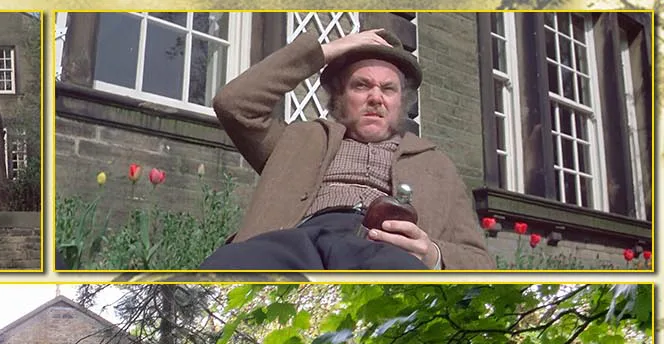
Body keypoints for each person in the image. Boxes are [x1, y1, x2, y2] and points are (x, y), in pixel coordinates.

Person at [199, 29, 492, 270]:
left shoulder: (436, 164)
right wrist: (327, 50)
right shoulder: (297, 140)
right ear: (339, 97)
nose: (376, 98)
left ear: (400, 102)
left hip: (381, 246)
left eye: (388, 89)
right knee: (227, 265)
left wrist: (433, 254)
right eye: (362, 86)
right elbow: (233, 103)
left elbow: (482, 264)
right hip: (294, 239)